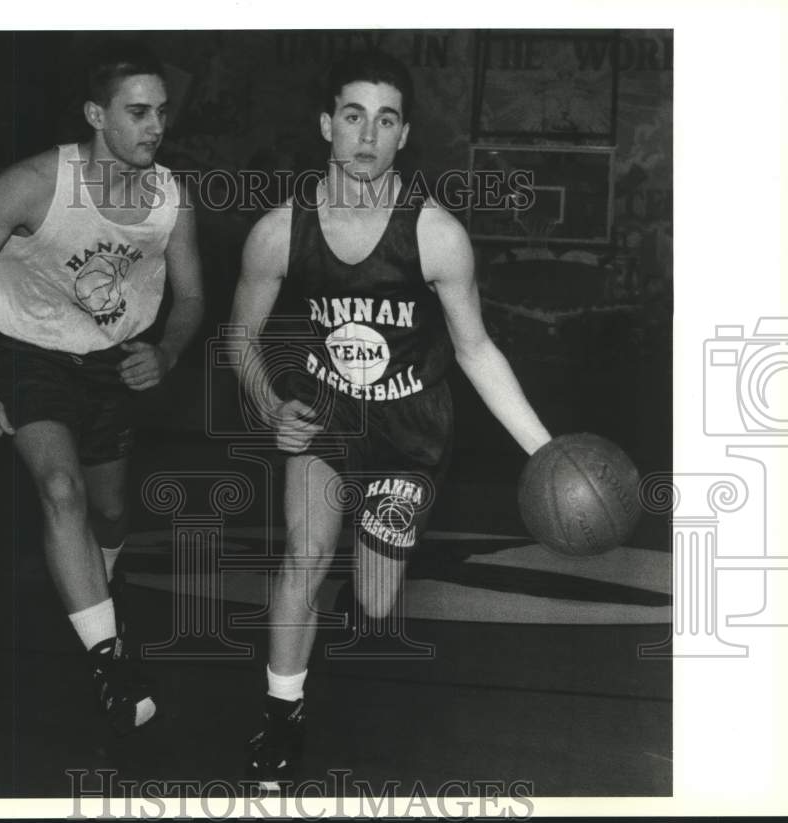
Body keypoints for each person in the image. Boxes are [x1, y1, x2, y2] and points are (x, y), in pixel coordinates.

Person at [229, 49, 551, 789]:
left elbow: (475, 349)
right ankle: (281, 720)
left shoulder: (436, 235)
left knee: (375, 601)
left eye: (386, 119)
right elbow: (240, 337)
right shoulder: (281, 230)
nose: (368, 136)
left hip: (410, 427)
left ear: (404, 135)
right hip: (326, 415)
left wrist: (543, 449)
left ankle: (354, 589)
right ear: (326, 126)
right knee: (303, 558)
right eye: (353, 116)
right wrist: (270, 404)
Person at [0, 40, 204, 736]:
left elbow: (193, 300)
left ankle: (93, 589)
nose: (155, 126)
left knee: (109, 514)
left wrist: (168, 352)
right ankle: (109, 661)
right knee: (61, 490)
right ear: (95, 114)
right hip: (25, 353)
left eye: (162, 112)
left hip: (110, 361)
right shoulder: (34, 183)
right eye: (138, 111)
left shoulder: (169, 198)